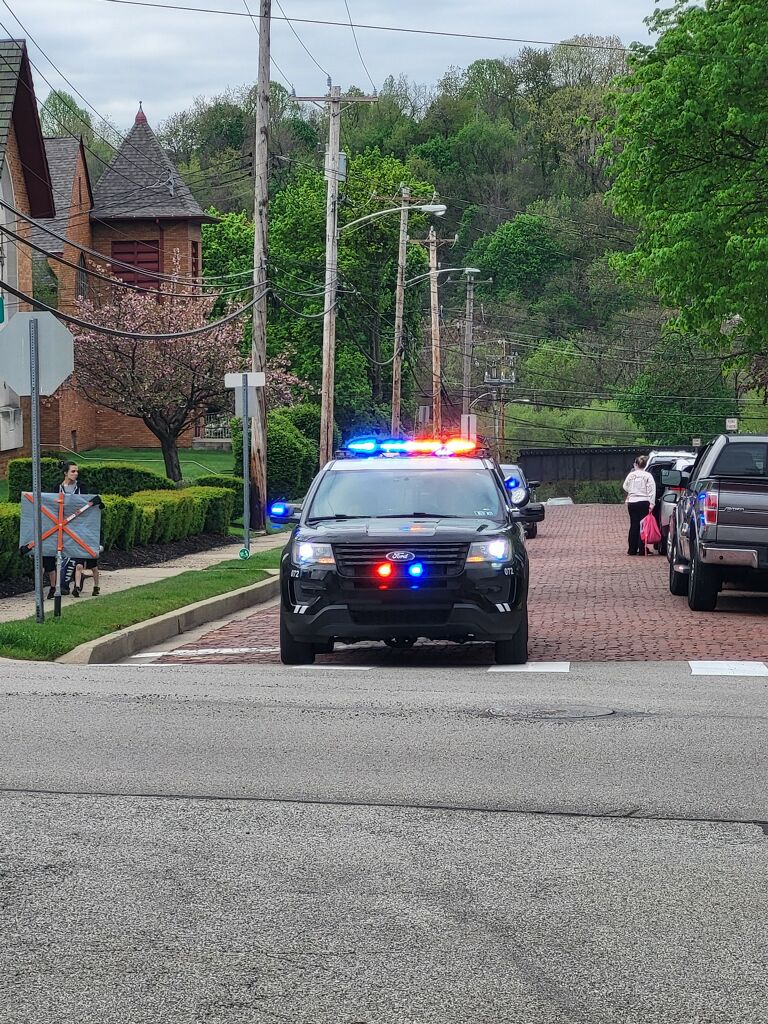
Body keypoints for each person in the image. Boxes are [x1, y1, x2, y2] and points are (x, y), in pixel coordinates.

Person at [44, 461, 81, 599]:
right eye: (73, 471)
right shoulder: (57, 488)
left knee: (73, 555)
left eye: (77, 471)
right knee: (57, 555)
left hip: (75, 524)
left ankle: (72, 584)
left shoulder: (81, 487)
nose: (76, 474)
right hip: (59, 525)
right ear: (65, 473)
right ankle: (57, 586)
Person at [622, 455, 656, 556]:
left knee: (634, 524)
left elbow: (625, 486)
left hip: (632, 502)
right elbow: (651, 490)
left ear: (636, 464)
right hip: (644, 502)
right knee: (643, 525)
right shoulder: (648, 476)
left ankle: (632, 549)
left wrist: (632, 491)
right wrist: (652, 503)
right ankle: (642, 548)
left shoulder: (631, 475)